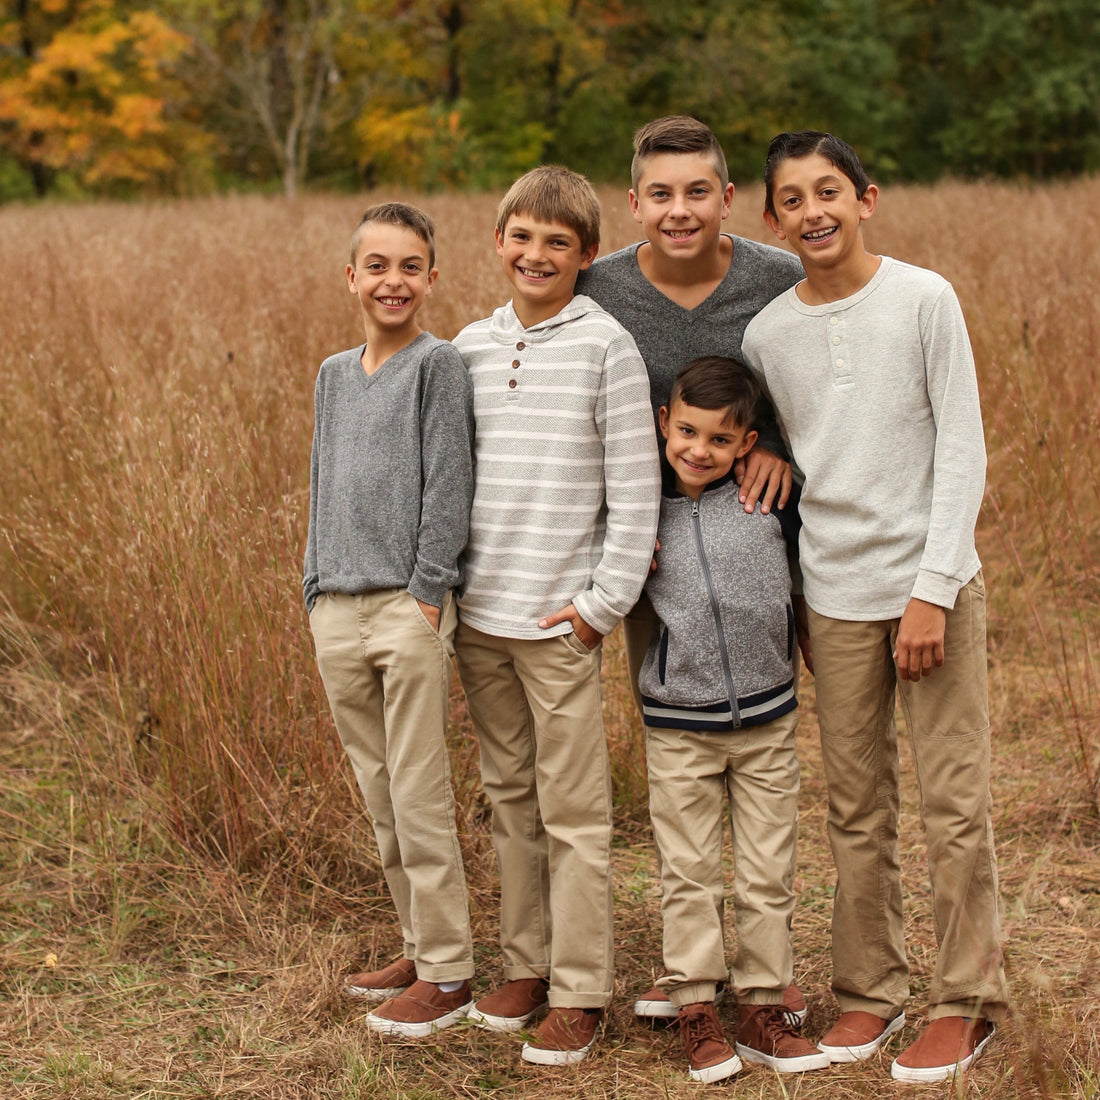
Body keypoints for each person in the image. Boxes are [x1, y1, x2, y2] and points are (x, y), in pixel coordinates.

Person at [742, 130, 1008, 1083]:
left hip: (931, 586)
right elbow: (782, 461)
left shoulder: (924, 298)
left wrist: (932, 590)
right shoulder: (767, 335)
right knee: (856, 805)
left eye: (829, 191)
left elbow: (962, 447)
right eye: (792, 200)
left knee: (953, 800)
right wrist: (800, 598)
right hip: (835, 594)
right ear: (773, 220)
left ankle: (968, 1001)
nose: (813, 211)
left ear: (866, 198)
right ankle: (870, 990)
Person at [576, 114, 809, 1025]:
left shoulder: (775, 278)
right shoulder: (598, 289)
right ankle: (694, 971)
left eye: (698, 191)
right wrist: (614, 516)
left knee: (765, 758)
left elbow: (806, 386)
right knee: (679, 742)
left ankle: (764, 973)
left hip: (755, 538)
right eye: (661, 194)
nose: (680, 210)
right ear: (634, 203)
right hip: (651, 543)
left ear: (728, 198)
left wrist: (777, 448)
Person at [453, 165, 661, 1065]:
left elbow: (635, 493)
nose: (536, 254)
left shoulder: (607, 346)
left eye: (558, 242)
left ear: (588, 254)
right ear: (498, 241)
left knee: (573, 810)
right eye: (523, 237)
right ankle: (525, 965)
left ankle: (580, 988)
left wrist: (596, 609)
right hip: (480, 619)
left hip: (557, 624)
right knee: (509, 798)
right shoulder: (467, 346)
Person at [303, 202, 476, 1038]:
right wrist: (313, 584)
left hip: (407, 606)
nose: (393, 281)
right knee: (379, 792)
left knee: (417, 788)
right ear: (352, 277)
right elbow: (321, 478)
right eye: (377, 266)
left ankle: (448, 972)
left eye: (410, 266)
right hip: (337, 607)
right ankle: (417, 944)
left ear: (431, 277)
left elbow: (449, 483)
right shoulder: (335, 374)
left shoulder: (438, 366)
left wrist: (428, 591)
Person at [640, 356, 829, 1083]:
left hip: (767, 719)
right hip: (679, 724)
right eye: (687, 432)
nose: (699, 450)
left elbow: (807, 576)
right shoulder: (639, 510)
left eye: (721, 440)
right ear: (665, 423)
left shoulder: (771, 502)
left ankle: (762, 1007)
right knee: (688, 871)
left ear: (747, 443)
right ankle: (695, 1005)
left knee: (767, 871)